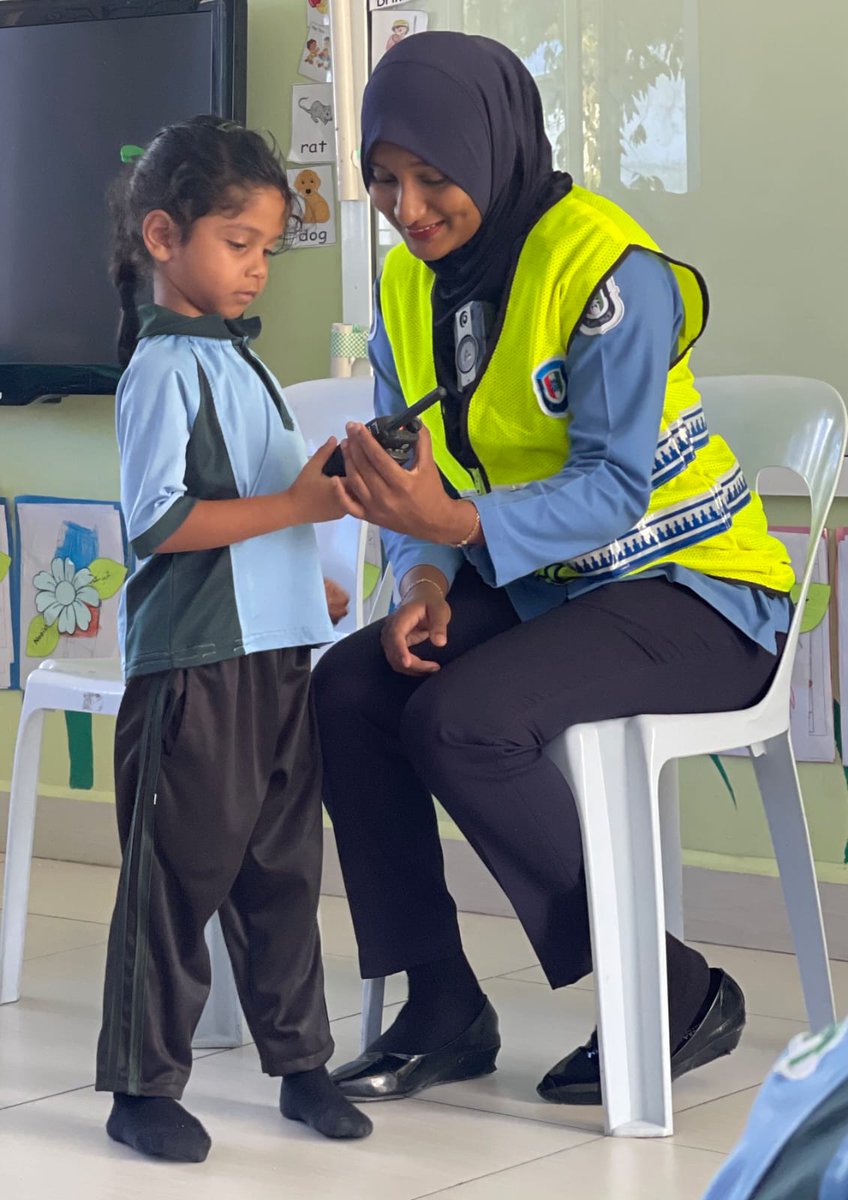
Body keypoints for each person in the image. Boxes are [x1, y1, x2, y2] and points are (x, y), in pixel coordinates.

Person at [312, 32, 795, 1107]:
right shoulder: (404, 287)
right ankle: (438, 1004)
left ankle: (668, 993)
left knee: (464, 722)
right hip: (549, 587)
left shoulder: (605, 270)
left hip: (699, 591)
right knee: (351, 688)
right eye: (385, 181)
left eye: (435, 177)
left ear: (494, 148)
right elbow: (419, 468)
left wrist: (453, 524)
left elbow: (614, 487)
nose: (409, 206)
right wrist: (423, 580)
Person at [95, 115, 371, 1162]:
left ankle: (300, 1063)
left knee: (281, 871)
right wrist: (300, 516)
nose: (257, 268)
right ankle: (139, 1083)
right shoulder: (161, 372)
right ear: (164, 238)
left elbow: (265, 503)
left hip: (276, 653)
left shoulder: (242, 364)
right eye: (237, 243)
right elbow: (161, 523)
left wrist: (309, 576)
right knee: (178, 878)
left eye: (265, 248)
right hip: (195, 669)